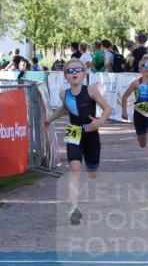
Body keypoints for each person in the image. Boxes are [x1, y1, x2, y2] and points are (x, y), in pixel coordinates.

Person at [43, 58, 112, 224]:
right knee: (74, 168)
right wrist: (50, 119)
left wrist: (99, 122)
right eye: (70, 71)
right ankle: (74, 207)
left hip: (91, 133)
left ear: (84, 73)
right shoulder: (63, 94)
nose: (74, 73)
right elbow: (66, 108)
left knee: (92, 173)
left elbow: (107, 108)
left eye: (78, 70)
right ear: (65, 75)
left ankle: (97, 187)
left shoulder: (91, 90)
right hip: (74, 132)